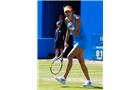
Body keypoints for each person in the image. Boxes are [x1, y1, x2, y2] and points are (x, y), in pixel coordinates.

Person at [55, 5, 93, 87]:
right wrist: (65, 41)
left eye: (68, 11)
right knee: (81, 62)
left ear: (72, 11)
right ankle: (89, 81)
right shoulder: (66, 20)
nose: (67, 13)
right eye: (65, 12)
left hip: (82, 40)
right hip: (76, 41)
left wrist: (72, 27)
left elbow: (77, 33)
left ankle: (64, 78)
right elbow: (68, 31)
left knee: (69, 56)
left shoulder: (78, 20)